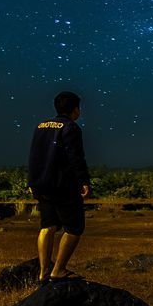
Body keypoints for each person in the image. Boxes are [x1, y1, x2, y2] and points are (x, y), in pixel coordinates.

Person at [27, 91, 92, 284]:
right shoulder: (71, 128)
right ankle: (58, 269)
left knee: (48, 226)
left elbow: (34, 155)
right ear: (74, 110)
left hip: (42, 184)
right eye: (78, 108)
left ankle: (43, 271)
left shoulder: (41, 126)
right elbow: (76, 157)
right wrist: (84, 181)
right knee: (75, 227)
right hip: (62, 185)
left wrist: (32, 181)